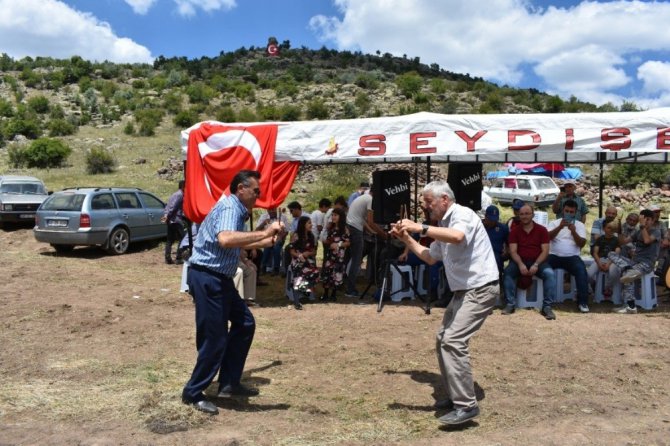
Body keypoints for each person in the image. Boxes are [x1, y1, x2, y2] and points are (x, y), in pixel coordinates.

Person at [392, 180, 499, 426]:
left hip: (480, 288)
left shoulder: (462, 214)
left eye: (429, 202)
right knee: (443, 339)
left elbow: (457, 236)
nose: (426, 207)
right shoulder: (442, 225)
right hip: (463, 291)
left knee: (453, 341)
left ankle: (466, 406)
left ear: (444, 200)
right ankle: (456, 395)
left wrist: (420, 227)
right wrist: (407, 238)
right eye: (424, 203)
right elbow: (430, 257)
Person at [182, 170, 284, 415]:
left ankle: (229, 383)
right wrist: (264, 233)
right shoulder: (230, 208)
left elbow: (235, 242)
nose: (258, 196)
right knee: (214, 337)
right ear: (241, 189)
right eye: (255, 191)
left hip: (220, 278)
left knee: (245, 323)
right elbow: (226, 239)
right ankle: (193, 392)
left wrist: (266, 242)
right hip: (208, 277)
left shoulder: (237, 210)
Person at [502, 204, 556, 318]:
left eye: (527, 213)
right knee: (508, 272)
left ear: (533, 215)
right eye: (521, 214)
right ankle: (510, 304)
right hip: (519, 261)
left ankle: (547, 307)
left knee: (550, 274)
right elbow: (513, 251)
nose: (524, 216)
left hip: (538, 261)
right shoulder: (515, 231)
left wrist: (536, 264)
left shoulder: (542, 230)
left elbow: (545, 251)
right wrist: (520, 264)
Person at [608, 209, 661, 314]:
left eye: (648, 220)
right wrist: (619, 231)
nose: (645, 222)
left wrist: (642, 226)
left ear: (652, 220)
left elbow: (647, 241)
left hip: (646, 263)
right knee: (611, 254)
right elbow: (622, 242)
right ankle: (628, 269)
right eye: (643, 219)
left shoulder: (656, 232)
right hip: (634, 262)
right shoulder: (638, 232)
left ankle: (630, 306)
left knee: (627, 276)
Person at [547, 199, 590, 313]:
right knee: (543, 268)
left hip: (572, 257)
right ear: (562, 211)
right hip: (554, 255)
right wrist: (560, 227)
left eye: (572, 212)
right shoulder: (554, 223)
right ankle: (546, 300)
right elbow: (547, 238)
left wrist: (574, 232)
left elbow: (581, 244)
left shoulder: (580, 225)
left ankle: (583, 302)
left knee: (581, 271)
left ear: (575, 213)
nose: (569, 214)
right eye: (567, 211)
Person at [344, 187, 387, 298]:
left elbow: (364, 221)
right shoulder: (370, 200)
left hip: (353, 225)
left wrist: (372, 231)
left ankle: (348, 286)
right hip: (355, 228)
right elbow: (370, 221)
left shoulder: (363, 197)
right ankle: (350, 289)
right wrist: (383, 234)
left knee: (355, 258)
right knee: (357, 260)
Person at [288, 216, 320, 310]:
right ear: (303, 224)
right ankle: (297, 301)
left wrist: (308, 253)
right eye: (309, 223)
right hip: (297, 260)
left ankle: (301, 289)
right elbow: (291, 251)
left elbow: (314, 251)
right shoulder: (296, 235)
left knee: (316, 274)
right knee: (300, 274)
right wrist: (299, 256)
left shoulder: (311, 236)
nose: (311, 225)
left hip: (308, 260)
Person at [319, 207, 350, 301]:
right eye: (332, 215)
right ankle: (325, 293)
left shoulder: (345, 229)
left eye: (335, 215)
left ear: (341, 217)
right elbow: (329, 239)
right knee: (328, 272)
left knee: (337, 273)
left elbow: (348, 243)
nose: (333, 217)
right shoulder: (331, 227)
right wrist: (327, 242)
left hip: (339, 255)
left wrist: (338, 244)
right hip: (330, 254)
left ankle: (333, 294)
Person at [587, 221, 621, 299]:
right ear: (604, 229)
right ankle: (592, 285)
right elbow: (595, 253)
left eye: (613, 228)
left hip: (612, 260)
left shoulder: (616, 240)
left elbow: (616, 253)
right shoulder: (600, 239)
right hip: (600, 259)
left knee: (613, 272)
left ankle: (608, 287)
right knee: (589, 274)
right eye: (608, 228)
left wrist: (608, 264)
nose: (611, 230)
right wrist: (599, 263)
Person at [257, 207, 289, 275]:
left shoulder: (283, 217)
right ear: (267, 210)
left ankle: (276, 268)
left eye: (273, 209)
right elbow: (257, 229)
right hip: (267, 238)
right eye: (270, 209)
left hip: (279, 238)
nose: (271, 211)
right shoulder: (264, 216)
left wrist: (280, 236)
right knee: (268, 245)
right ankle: (263, 267)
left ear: (276, 208)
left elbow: (286, 231)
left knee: (276, 246)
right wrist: (263, 223)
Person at [162, 180, 185, 264]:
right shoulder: (180, 195)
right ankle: (179, 257)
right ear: (183, 186)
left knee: (170, 239)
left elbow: (167, 205)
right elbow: (173, 207)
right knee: (183, 238)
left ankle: (168, 258)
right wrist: (168, 215)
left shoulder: (174, 194)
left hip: (170, 220)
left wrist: (166, 215)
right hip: (176, 220)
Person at [482, 205, 509, 278]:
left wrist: (507, 251)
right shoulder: (479, 226)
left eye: (495, 220)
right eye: (491, 219)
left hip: (496, 255)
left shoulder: (503, 228)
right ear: (486, 216)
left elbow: (509, 243)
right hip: (480, 254)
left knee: (496, 259)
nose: (493, 222)